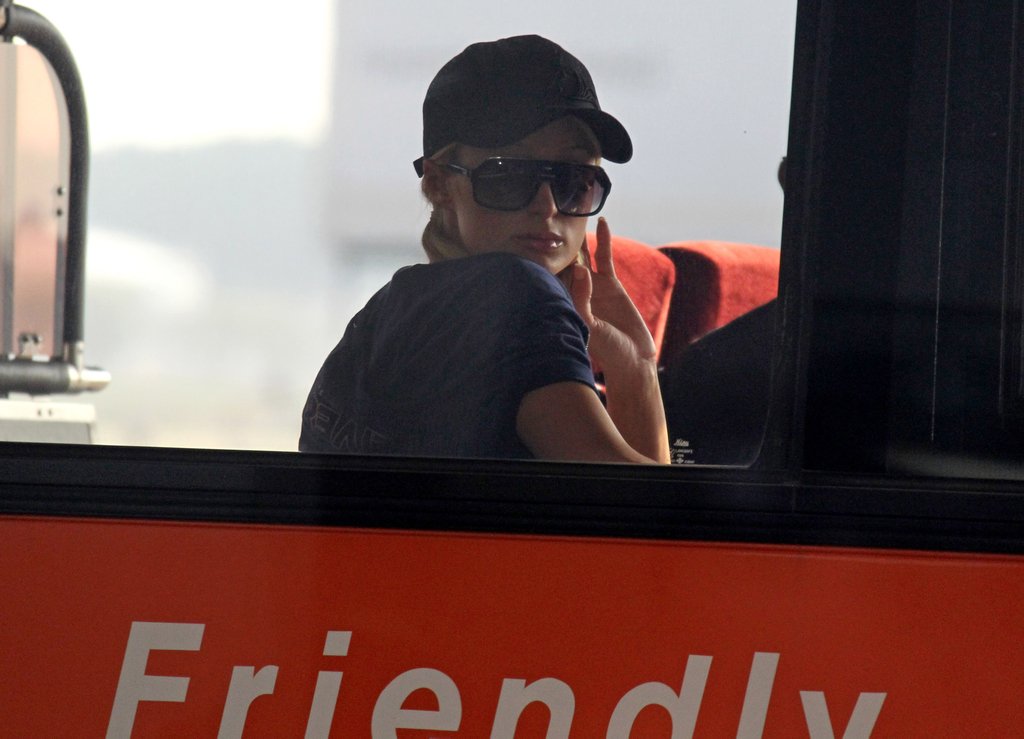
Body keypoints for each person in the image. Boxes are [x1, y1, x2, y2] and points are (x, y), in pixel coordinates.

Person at [300, 34, 669, 463]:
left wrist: (635, 367)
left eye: (574, 180)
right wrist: (638, 374)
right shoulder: (519, 293)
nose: (548, 205)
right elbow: (636, 497)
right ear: (438, 183)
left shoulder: (385, 314)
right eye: (508, 175)